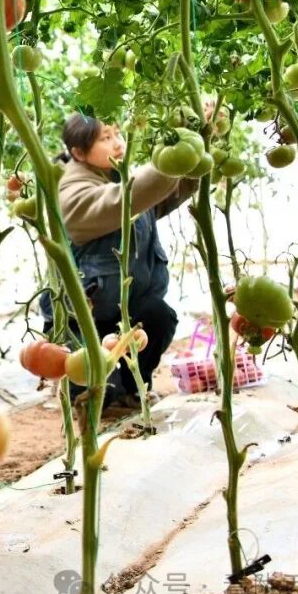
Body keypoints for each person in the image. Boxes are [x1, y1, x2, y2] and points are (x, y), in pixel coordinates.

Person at [41, 113, 196, 408]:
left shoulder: (117, 176)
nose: (118, 143)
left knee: (159, 315)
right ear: (78, 153)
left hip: (124, 311)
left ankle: (134, 386)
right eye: (106, 138)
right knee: (98, 393)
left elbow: (161, 194)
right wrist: (171, 158)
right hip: (82, 322)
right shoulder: (69, 190)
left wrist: (194, 139)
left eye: (118, 134)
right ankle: (90, 388)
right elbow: (120, 200)